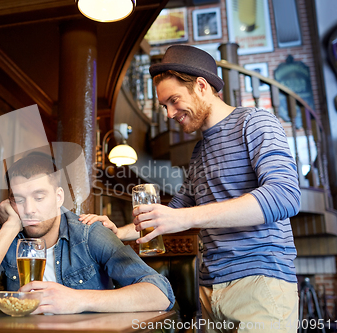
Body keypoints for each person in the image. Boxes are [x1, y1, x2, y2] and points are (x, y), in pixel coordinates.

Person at [80, 45, 300, 332]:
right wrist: (117, 233)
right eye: (164, 106)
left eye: (174, 100)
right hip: (209, 291)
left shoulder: (255, 123)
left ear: (201, 86)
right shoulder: (199, 152)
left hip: (260, 285)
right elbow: (173, 213)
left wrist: (184, 218)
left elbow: (285, 196)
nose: (170, 113)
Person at [0, 153, 174, 314]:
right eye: (19, 199)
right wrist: (11, 227)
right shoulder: (9, 234)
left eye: (39, 197)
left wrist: (77, 300)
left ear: (59, 197)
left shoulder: (88, 233)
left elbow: (160, 294)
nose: (30, 209)